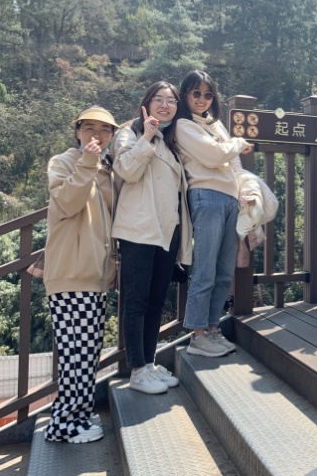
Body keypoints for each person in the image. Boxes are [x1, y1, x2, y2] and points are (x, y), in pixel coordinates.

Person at [43, 106, 119, 443]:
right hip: (70, 273)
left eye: (105, 130)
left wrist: (112, 266)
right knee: (75, 353)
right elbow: (68, 202)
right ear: (77, 131)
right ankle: (64, 425)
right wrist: (88, 162)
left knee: (87, 352)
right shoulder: (63, 162)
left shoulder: (105, 170)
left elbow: (110, 224)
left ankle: (80, 416)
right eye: (89, 128)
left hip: (95, 275)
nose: (97, 135)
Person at [112, 82, 192, 394]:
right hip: (138, 229)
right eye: (158, 99)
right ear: (146, 103)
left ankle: (149, 362)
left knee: (157, 301)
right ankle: (137, 370)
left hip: (167, 232)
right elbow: (126, 170)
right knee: (137, 302)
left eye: (171, 100)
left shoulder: (172, 143)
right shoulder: (129, 133)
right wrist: (146, 136)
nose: (165, 105)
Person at [175, 70, 253, 356]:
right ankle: (197, 336)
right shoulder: (184, 125)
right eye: (196, 93)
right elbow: (214, 155)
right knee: (205, 268)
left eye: (208, 94)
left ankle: (211, 328)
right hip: (206, 195)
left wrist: (244, 191)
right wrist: (238, 143)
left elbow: (233, 164)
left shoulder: (215, 124)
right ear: (185, 95)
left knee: (223, 271)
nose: (202, 99)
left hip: (230, 198)